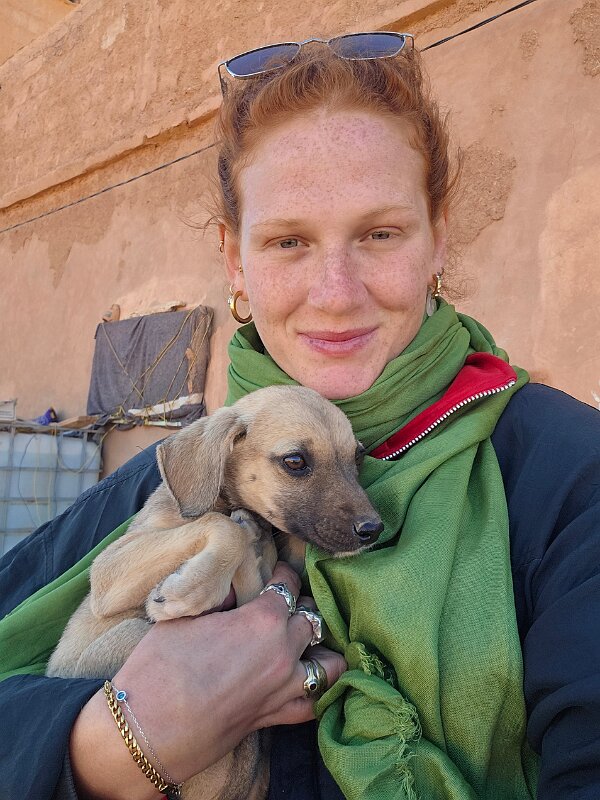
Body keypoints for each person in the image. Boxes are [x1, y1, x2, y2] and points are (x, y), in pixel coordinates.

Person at [1, 31, 599, 800]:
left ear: (438, 239)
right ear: (235, 261)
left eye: (380, 234)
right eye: (288, 241)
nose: (336, 292)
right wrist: (113, 743)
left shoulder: (567, 476)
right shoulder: (171, 483)